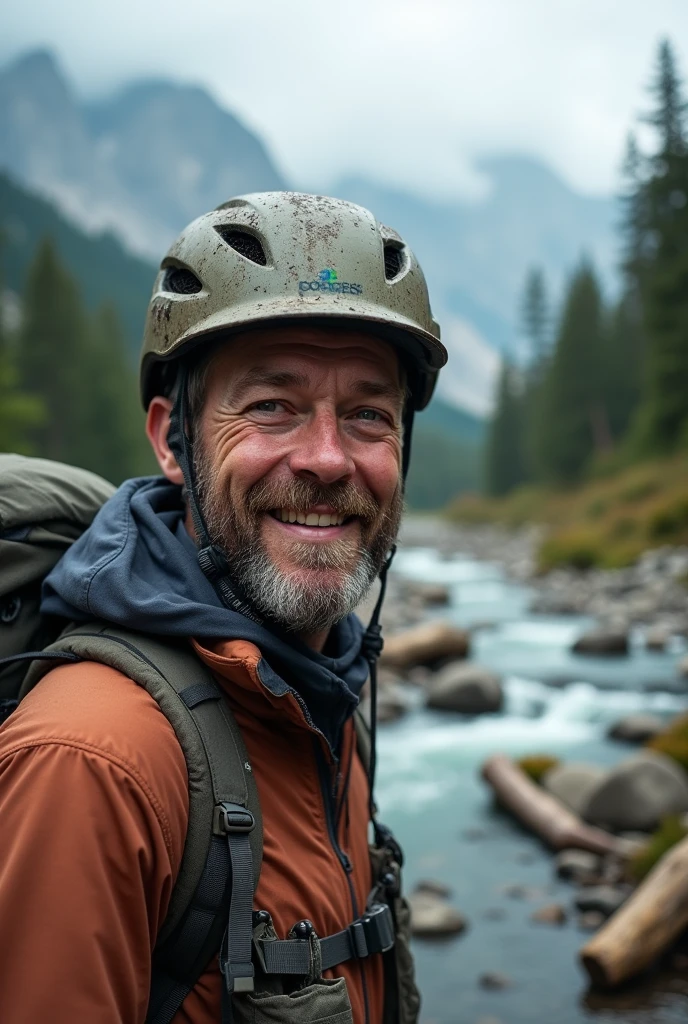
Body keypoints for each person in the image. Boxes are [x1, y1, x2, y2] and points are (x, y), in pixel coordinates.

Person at [0, 192, 446, 1024]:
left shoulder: (321, 686)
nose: (326, 460)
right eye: (272, 405)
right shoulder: (93, 763)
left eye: (368, 415)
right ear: (173, 441)